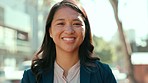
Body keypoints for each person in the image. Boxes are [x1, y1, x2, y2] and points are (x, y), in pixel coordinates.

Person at [21, 0, 117, 83]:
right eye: (61, 23)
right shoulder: (31, 77)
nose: (69, 31)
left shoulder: (103, 74)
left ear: (86, 30)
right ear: (50, 31)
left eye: (76, 24)